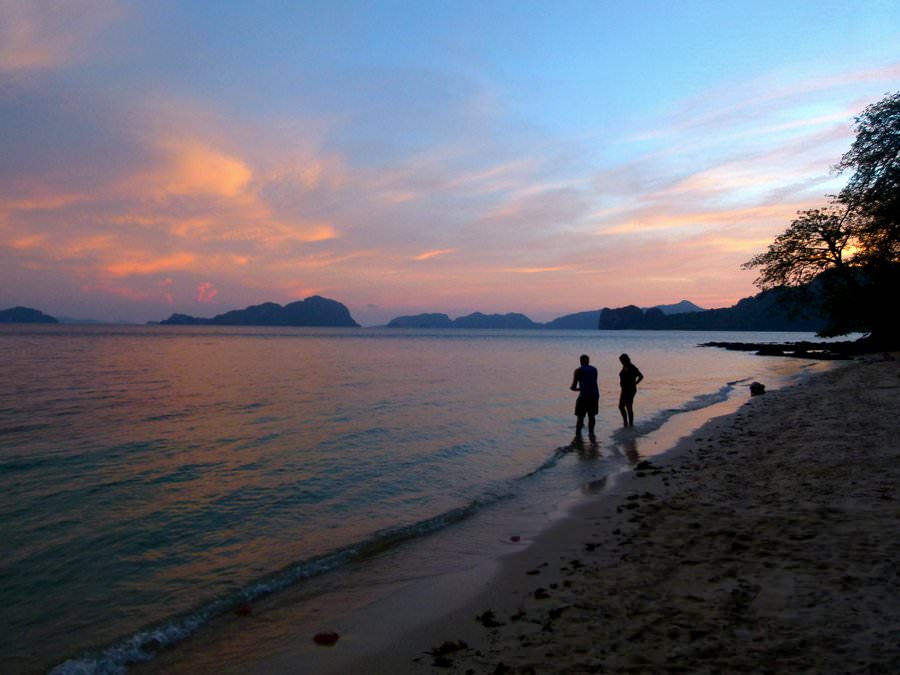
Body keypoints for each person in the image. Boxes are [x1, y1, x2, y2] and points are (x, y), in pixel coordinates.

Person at [570, 354, 599, 438]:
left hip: (584, 396)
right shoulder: (594, 369)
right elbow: (592, 382)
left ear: (580, 361)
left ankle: (578, 435)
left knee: (580, 417)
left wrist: (574, 388)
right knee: (592, 416)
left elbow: (574, 387)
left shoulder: (578, 371)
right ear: (588, 361)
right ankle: (591, 433)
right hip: (594, 395)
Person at [618, 353, 644, 427]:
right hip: (624, 389)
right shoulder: (625, 366)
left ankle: (630, 424)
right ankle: (626, 422)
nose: (621, 362)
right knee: (621, 406)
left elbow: (641, 376)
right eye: (620, 361)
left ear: (625, 360)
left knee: (628, 406)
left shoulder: (632, 367)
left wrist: (636, 383)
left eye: (621, 360)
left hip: (630, 389)